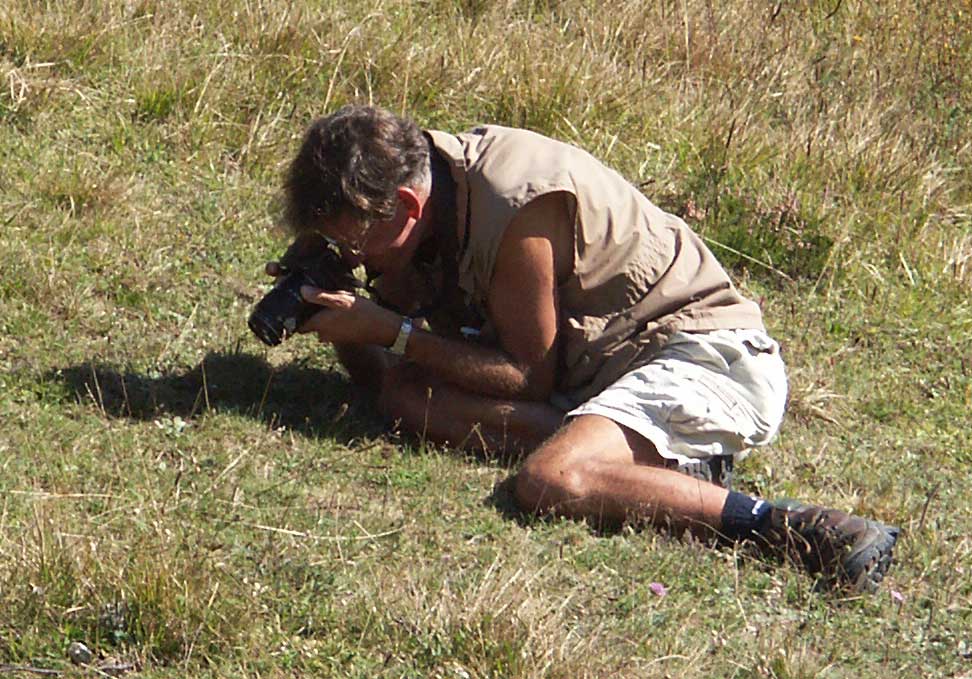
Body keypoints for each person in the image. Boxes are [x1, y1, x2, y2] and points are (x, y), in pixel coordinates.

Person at [270, 104, 898, 592]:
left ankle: (802, 530)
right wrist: (336, 313)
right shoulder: (430, 196)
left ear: (405, 207)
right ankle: (646, 465)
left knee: (552, 479)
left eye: (355, 246)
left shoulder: (515, 204)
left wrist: (391, 331)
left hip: (702, 354)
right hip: (601, 371)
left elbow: (523, 377)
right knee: (408, 396)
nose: (356, 260)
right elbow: (384, 386)